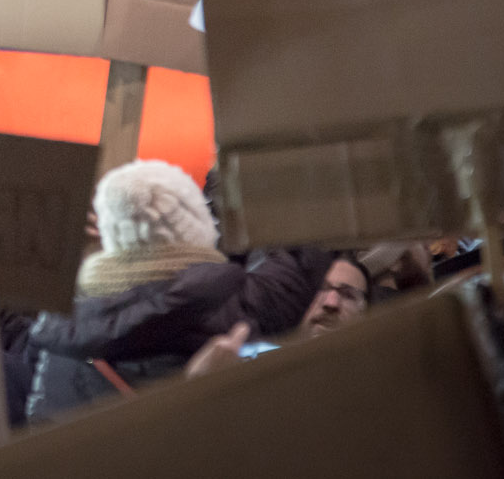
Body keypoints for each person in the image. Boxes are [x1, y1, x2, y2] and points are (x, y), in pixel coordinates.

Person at [26, 159, 330, 417]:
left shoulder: (55, 330)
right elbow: (293, 257)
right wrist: (232, 160)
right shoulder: (232, 308)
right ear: (198, 227)